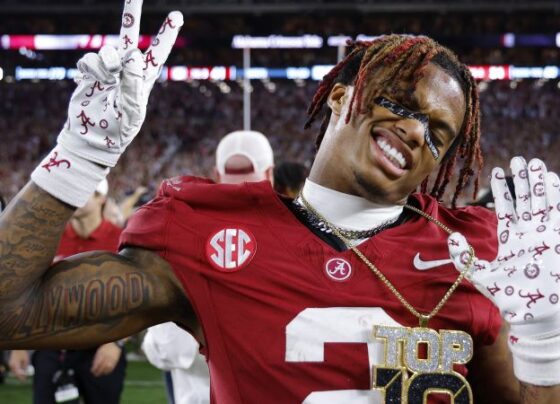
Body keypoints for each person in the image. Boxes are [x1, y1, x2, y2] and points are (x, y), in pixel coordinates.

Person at [0, 1, 559, 403]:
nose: (417, 133)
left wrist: (544, 340)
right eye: (400, 103)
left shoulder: (473, 252)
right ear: (341, 95)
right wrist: (76, 158)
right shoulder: (209, 234)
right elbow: (10, 312)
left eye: (439, 134)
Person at [142, 129, 274, 404]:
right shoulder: (296, 237)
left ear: (216, 174)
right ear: (270, 173)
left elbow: (165, 351)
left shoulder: (183, 238)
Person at [8, 180, 127, 404]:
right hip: (52, 345)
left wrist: (115, 343)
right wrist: (19, 346)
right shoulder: (47, 238)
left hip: (101, 344)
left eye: (84, 191)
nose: (74, 197)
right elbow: (30, 291)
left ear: (101, 198)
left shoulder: (122, 239)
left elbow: (138, 299)